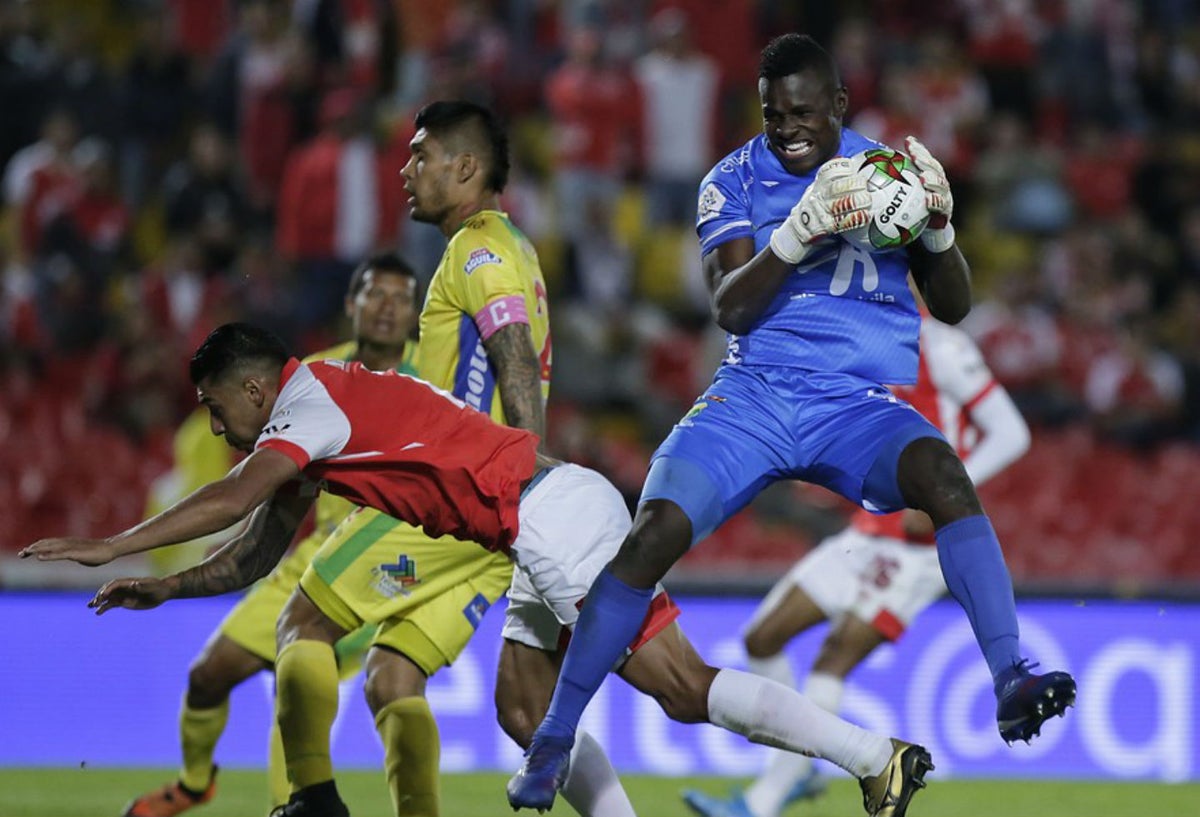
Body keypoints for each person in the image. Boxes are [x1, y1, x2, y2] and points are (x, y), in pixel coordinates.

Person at [24, 322, 934, 817]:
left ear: (254, 389)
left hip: (551, 519)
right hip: (538, 521)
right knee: (521, 709)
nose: (219, 427)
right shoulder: (322, 417)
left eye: (218, 408)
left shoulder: (307, 407)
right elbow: (259, 543)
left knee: (683, 687)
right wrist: (169, 585)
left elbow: (230, 495)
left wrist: (111, 544)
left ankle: (873, 756)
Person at [507, 32, 1075, 812]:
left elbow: (952, 305)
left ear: (839, 104)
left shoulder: (889, 177)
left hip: (856, 405)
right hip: (755, 396)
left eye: (805, 113)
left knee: (943, 474)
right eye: (776, 116)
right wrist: (798, 229)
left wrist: (938, 230)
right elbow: (729, 304)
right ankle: (555, 737)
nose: (790, 130)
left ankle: (1011, 676)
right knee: (649, 538)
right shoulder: (730, 179)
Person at [119, 253, 516, 817]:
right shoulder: (310, 374)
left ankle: (296, 805)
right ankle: (193, 783)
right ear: (350, 305)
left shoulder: (436, 377)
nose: (386, 308)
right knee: (210, 674)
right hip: (310, 552)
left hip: (395, 544)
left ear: (415, 316)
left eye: (401, 299)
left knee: (309, 665)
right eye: (374, 295)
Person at [681, 313, 1033, 817]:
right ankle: (793, 772)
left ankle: (763, 802)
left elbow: (1011, 432)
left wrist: (945, 489)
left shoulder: (942, 346)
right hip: (867, 534)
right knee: (762, 638)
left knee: (832, 659)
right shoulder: (857, 335)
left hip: (919, 550)